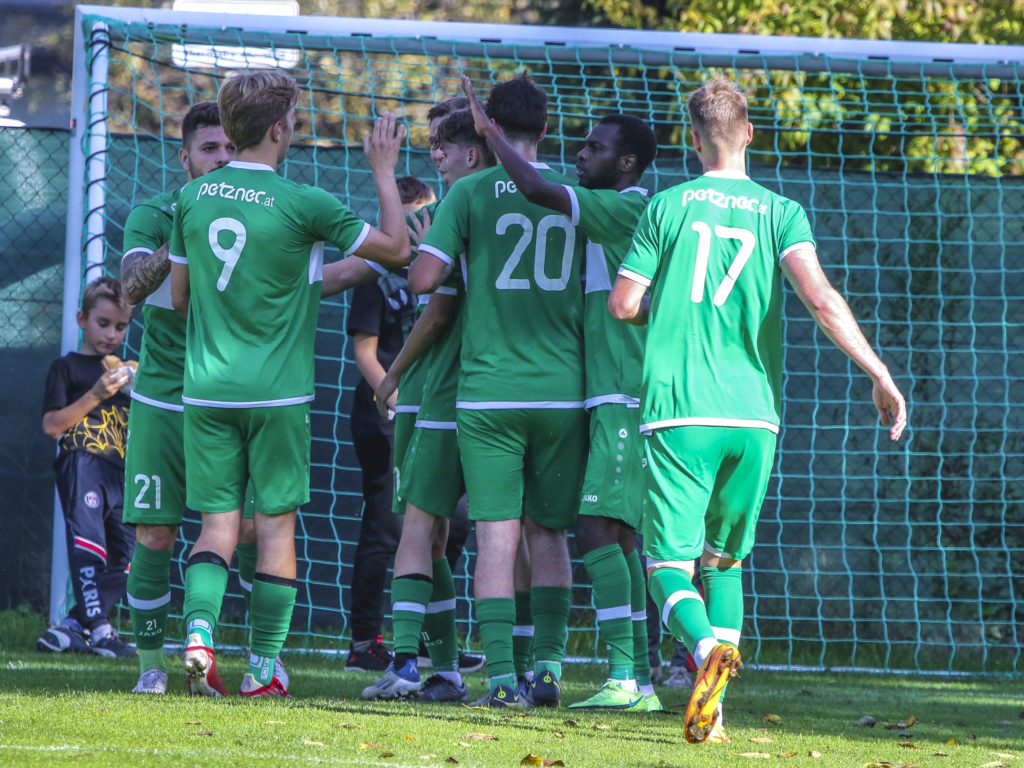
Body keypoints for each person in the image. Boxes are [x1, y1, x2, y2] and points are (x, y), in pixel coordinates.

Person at [608, 76, 907, 743]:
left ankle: (702, 653)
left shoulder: (669, 206)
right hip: (755, 416)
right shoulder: (781, 212)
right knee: (726, 562)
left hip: (680, 410)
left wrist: (666, 323)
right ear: (748, 133)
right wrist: (878, 371)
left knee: (665, 565)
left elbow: (623, 304)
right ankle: (715, 714)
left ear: (692, 141)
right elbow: (823, 300)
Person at [169, 69, 409, 698]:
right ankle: (263, 669)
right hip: (276, 396)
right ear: (281, 128)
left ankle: (198, 635)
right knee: (275, 528)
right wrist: (384, 170)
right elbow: (397, 249)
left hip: (206, 391)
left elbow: (180, 296)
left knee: (216, 527)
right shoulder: (305, 202)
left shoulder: (192, 199)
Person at [459, 75, 661, 712]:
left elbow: (539, 187)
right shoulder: (614, 210)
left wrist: (488, 133)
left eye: (596, 149)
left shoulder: (625, 207)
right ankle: (632, 676)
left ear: (626, 164)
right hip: (591, 393)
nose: (582, 154)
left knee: (600, 529)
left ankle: (631, 677)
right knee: (607, 533)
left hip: (623, 393)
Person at [410, 74, 587, 709]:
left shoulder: (469, 192)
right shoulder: (572, 193)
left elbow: (424, 278)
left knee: (496, 538)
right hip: (564, 390)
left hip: (488, 392)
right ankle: (549, 671)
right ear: (544, 131)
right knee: (549, 536)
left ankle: (504, 680)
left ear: (485, 129)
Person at [362, 107, 496, 703]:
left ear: (474, 152)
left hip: (440, 387)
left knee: (418, 526)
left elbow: (432, 300)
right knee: (447, 535)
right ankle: (447, 669)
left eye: (445, 144)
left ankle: (406, 660)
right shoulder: (523, 200)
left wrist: (392, 375)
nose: (435, 154)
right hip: (498, 388)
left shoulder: (455, 208)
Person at [37, 276, 136, 658]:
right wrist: (96, 393)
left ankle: (70, 627)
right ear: (82, 319)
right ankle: (100, 629)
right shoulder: (68, 368)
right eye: (103, 324)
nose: (112, 335)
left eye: (121, 326)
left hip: (121, 471)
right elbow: (51, 426)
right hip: (82, 462)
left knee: (128, 556)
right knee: (88, 544)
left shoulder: (129, 376)